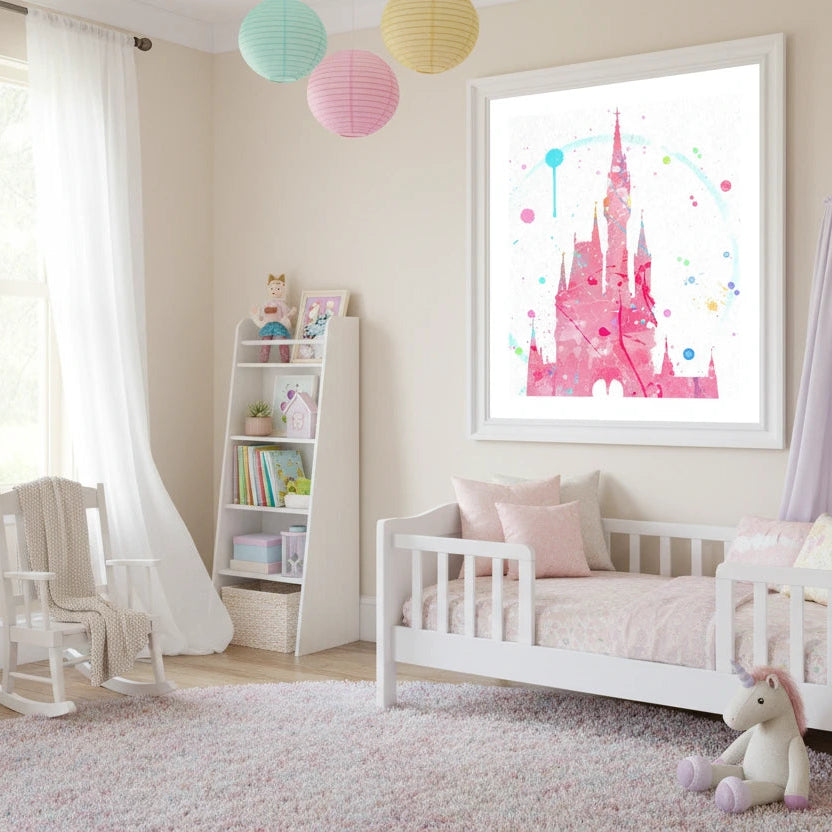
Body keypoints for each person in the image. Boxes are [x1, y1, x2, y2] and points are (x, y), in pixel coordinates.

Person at [250, 274, 296, 362]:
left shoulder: (282, 304)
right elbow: (261, 315)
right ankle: (263, 359)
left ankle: (285, 359)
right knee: (266, 341)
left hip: (279, 325)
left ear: (282, 289)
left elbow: (286, 314)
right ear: (269, 289)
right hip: (268, 325)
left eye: (277, 289)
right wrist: (256, 312)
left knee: (282, 341)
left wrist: (291, 313)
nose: (274, 291)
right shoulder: (266, 304)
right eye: (272, 289)